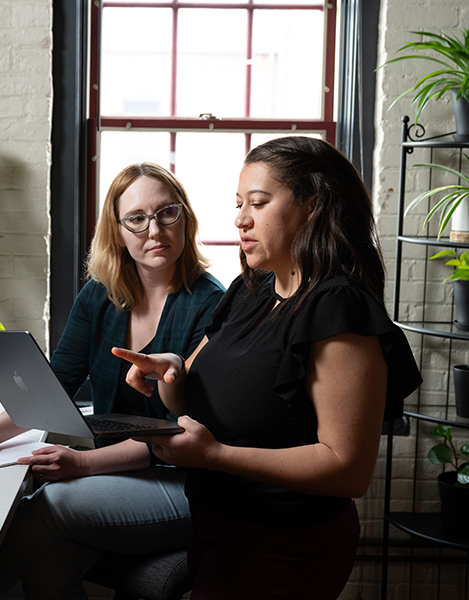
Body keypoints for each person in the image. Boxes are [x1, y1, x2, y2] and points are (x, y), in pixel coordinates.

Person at [113, 137, 423, 600]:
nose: (240, 218)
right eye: (239, 204)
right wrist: (170, 370)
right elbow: (187, 388)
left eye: (258, 203)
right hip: (214, 529)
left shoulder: (337, 309)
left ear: (312, 206)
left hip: (282, 547)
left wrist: (215, 455)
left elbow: (347, 469)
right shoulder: (250, 290)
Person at [0, 162, 225, 599]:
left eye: (167, 212)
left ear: (184, 217)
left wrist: (81, 464)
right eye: (137, 218)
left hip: (182, 479)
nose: (154, 230)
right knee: (46, 564)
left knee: (50, 505)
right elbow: (55, 384)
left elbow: (179, 432)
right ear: (117, 231)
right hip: (119, 469)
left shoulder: (212, 305)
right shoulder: (100, 293)